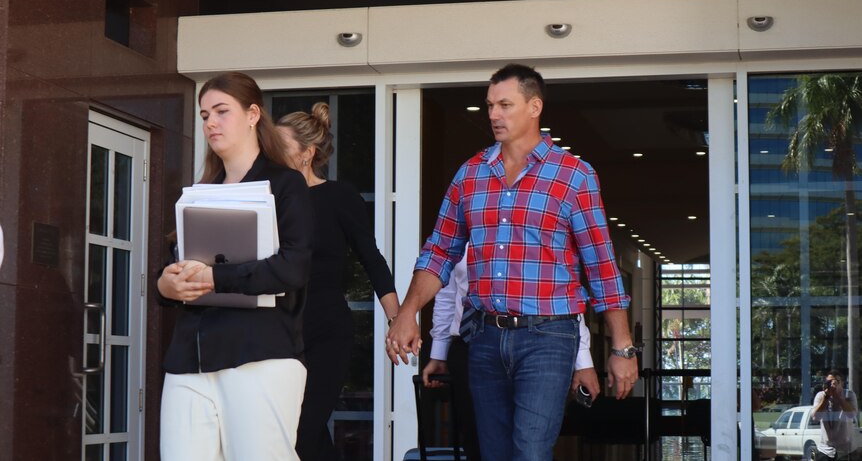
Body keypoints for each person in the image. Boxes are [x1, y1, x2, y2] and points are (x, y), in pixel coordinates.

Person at [387, 63, 638, 460]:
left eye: (505, 104)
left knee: (530, 452)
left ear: (535, 106)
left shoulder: (573, 176)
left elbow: (601, 266)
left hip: (548, 337)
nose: (493, 114)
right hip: (484, 337)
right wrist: (407, 313)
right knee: (493, 454)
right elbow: (439, 251)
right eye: (490, 105)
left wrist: (622, 348)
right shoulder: (470, 175)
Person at [157, 72, 313, 461]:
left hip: (261, 355)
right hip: (190, 357)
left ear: (252, 114)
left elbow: (293, 268)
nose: (210, 122)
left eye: (222, 111)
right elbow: (176, 270)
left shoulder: (286, 185)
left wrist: (215, 278)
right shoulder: (200, 192)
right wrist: (166, 285)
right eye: (204, 113)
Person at [276, 103, 401, 461]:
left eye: (280, 147)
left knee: (303, 432)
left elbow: (371, 258)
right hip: (277, 330)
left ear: (307, 154)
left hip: (326, 331)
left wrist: (398, 320)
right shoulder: (269, 199)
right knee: (291, 432)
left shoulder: (338, 197)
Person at [423, 249, 601, 461]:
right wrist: (439, 354)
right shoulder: (461, 232)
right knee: (479, 443)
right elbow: (446, 295)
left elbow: (565, 294)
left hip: (537, 344)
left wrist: (583, 361)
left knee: (530, 445)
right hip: (471, 346)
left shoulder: (533, 230)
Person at [812, 370, 858, 460]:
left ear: (842, 383)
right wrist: (826, 397)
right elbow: (815, 417)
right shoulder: (821, 396)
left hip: (846, 450)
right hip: (825, 449)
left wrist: (839, 397)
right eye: (829, 382)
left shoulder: (849, 395)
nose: (833, 385)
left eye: (836, 382)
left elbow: (852, 415)